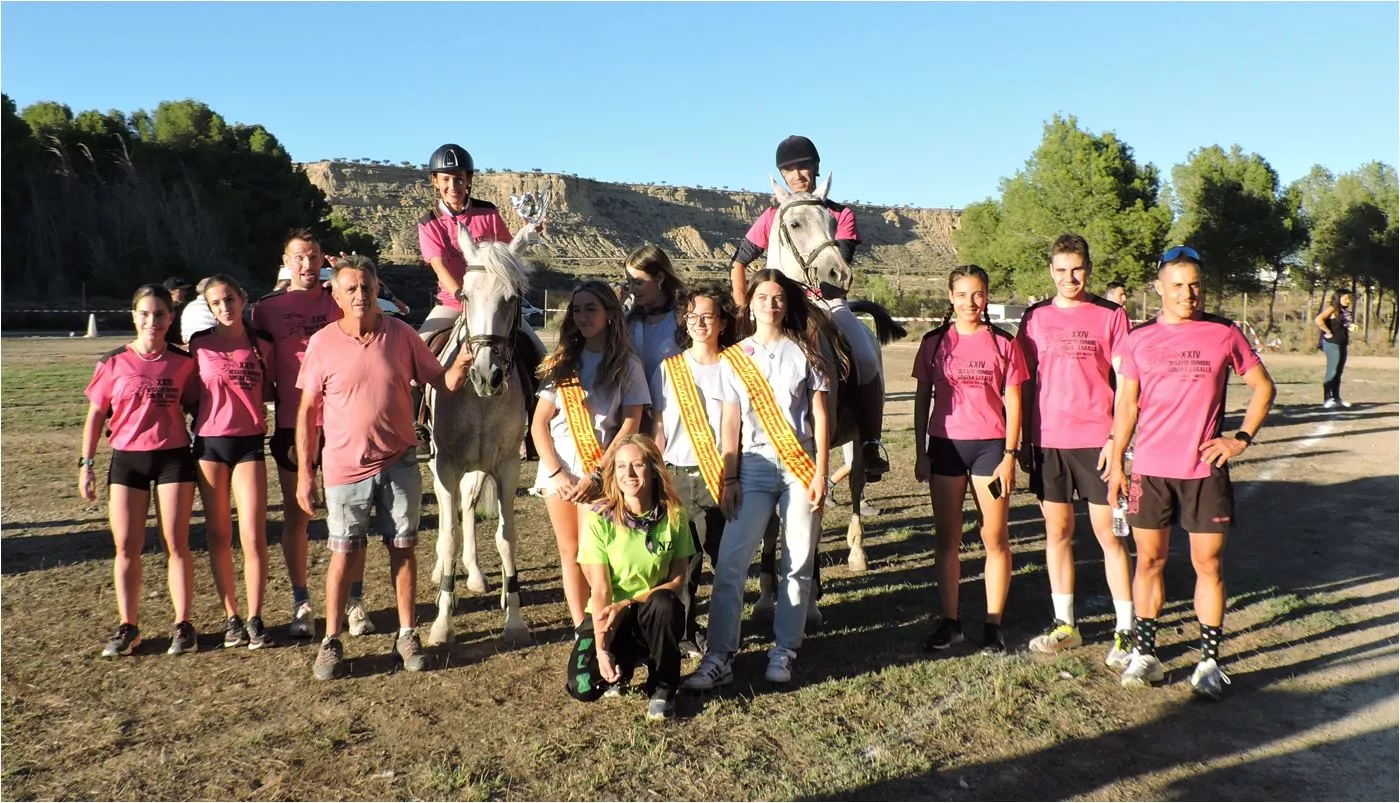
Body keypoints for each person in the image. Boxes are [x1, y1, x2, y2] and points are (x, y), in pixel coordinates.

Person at [1106, 246, 1276, 700]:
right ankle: (1146, 655)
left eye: (1196, 284)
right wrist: (1119, 461)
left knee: (1208, 564)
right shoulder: (1138, 340)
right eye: (1178, 285)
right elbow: (1127, 405)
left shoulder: (1224, 333)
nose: (1188, 293)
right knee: (1150, 561)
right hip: (1150, 471)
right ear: (1159, 288)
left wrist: (1240, 438)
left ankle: (1209, 663)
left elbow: (1263, 388)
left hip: (1204, 471)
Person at [296, 255, 476, 680]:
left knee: (403, 548)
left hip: (398, 463)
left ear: (378, 291)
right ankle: (332, 640)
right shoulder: (322, 343)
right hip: (344, 468)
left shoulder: (402, 335)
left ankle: (407, 631)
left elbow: (441, 383)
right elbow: (307, 412)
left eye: (367, 287)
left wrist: (464, 364)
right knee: (343, 555)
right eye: (351, 288)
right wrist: (306, 472)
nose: (360, 295)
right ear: (336, 294)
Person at [683, 270, 830, 690]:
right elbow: (731, 420)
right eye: (763, 296)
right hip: (754, 466)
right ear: (750, 303)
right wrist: (729, 477)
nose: (770, 303)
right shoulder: (736, 356)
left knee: (797, 560)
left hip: (800, 463)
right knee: (730, 561)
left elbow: (820, 415)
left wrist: (821, 470)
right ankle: (719, 656)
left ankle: (785, 648)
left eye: (778, 296)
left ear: (787, 303)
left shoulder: (806, 350)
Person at [728, 135, 888, 480]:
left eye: (803, 166)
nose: (797, 174)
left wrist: (814, 296)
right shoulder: (772, 216)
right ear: (782, 175)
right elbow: (738, 262)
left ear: (816, 168)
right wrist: (745, 311)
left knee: (863, 352)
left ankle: (871, 442)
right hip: (775, 305)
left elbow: (837, 269)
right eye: (789, 169)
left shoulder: (839, 213)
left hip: (827, 302)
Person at [1015, 235, 1134, 669]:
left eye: (1077, 269)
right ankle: (1065, 623)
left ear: (1089, 269)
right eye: (1062, 270)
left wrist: (1117, 443)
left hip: (1098, 445)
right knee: (1058, 534)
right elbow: (1023, 384)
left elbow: (1127, 388)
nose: (1070, 278)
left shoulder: (1112, 316)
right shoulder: (1035, 318)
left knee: (1110, 536)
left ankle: (1126, 630)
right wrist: (1026, 441)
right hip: (1049, 444)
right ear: (1051, 270)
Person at [251, 229, 373, 640]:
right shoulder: (265, 309)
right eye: (299, 257)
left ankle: (355, 601)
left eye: (315, 256)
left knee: (353, 518)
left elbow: (372, 295)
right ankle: (301, 601)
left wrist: (347, 268)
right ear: (286, 262)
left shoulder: (338, 295)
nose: (308, 265)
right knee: (297, 515)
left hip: (343, 422)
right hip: (293, 423)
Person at [913, 265, 1028, 655]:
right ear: (950, 297)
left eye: (977, 295)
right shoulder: (933, 342)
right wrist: (920, 451)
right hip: (945, 447)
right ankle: (951, 623)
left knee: (994, 538)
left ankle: (993, 624)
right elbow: (921, 399)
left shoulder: (1004, 344)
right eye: (962, 295)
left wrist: (1010, 455)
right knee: (948, 540)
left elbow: (1013, 402)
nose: (970, 303)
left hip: (990, 449)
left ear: (987, 295)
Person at [81, 284, 200, 657]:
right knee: (126, 545)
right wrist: (86, 465)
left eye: (160, 314)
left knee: (176, 543)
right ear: (133, 316)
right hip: (127, 460)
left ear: (171, 318)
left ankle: (183, 626)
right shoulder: (113, 362)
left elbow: (201, 406)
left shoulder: (184, 363)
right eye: (145, 314)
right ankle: (128, 626)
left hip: (173, 459)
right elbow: (96, 416)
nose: (152, 321)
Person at [531, 280, 649, 629]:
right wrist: (556, 473)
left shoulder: (627, 365)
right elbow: (539, 424)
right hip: (560, 476)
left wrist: (596, 474)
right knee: (568, 553)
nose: (583, 316)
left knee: (595, 555)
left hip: (599, 474)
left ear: (610, 313)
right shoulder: (562, 363)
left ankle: (604, 623)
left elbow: (630, 423)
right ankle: (581, 630)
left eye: (591, 309)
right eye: (577, 309)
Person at [415, 142, 546, 453]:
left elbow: (506, 257)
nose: (453, 186)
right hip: (453, 303)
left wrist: (528, 236)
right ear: (436, 182)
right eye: (445, 180)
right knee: (416, 354)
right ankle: (418, 424)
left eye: (458, 179)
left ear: (468, 180)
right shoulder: (428, 221)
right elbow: (439, 265)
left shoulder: (488, 212)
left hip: (493, 305)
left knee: (540, 357)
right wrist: (463, 296)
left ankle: (536, 425)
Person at [566, 435, 694, 721]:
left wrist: (628, 604)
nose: (629, 474)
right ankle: (622, 663)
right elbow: (599, 591)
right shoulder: (600, 519)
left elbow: (677, 581)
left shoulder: (674, 515)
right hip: (609, 616)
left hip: (651, 612)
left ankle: (663, 687)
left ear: (653, 469)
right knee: (582, 686)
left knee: (664, 602)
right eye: (621, 467)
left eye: (637, 465)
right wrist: (601, 648)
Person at [648, 283, 739, 656]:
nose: (700, 323)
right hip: (676, 475)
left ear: (722, 323)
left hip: (719, 476)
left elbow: (736, 428)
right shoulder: (669, 370)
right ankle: (685, 633)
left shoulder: (735, 366)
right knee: (684, 564)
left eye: (709, 316)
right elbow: (659, 429)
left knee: (725, 560)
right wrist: (657, 478)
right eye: (694, 316)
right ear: (685, 321)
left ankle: (725, 631)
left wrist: (732, 476)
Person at [188, 275, 276, 649]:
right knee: (219, 535)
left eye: (229, 299)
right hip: (209, 445)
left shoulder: (262, 345)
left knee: (253, 535)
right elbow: (187, 393)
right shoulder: (198, 345)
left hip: (249, 444)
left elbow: (274, 389)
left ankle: (255, 617)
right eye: (216, 303)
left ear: (243, 299)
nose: (224, 307)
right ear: (209, 309)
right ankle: (232, 618)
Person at [625, 244, 686, 380]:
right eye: (629, 283)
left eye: (638, 283)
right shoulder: (628, 324)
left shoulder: (685, 320)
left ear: (659, 278)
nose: (631, 290)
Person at [1314, 287, 1355, 408]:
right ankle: (1327, 399)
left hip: (1342, 343)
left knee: (1339, 371)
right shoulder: (1332, 309)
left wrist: (1350, 327)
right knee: (1332, 371)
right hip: (1332, 344)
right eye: (1346, 298)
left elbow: (1342, 325)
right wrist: (1327, 332)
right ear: (1338, 298)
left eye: (1349, 298)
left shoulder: (1344, 311)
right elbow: (1318, 319)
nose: (1348, 301)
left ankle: (1336, 397)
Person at [178, 277, 218, 346]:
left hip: (191, 346)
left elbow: (184, 337)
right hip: (213, 346)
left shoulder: (189, 307)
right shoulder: (215, 307)